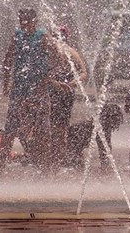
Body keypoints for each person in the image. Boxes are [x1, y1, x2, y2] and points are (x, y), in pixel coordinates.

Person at [0, 8, 55, 170]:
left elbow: (57, 58)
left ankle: (46, 167)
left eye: (26, 20)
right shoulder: (17, 36)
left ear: (35, 20)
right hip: (19, 91)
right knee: (10, 128)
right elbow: (7, 60)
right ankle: (0, 165)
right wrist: (6, 82)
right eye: (21, 20)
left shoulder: (42, 36)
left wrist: (46, 79)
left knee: (43, 130)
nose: (23, 23)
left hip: (39, 92)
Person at [48, 26, 87, 167]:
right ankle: (59, 157)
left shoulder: (58, 51)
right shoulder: (70, 52)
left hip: (58, 92)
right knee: (60, 125)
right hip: (62, 92)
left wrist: (64, 84)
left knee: (55, 125)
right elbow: (83, 73)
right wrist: (72, 84)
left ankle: (56, 158)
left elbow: (82, 73)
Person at [65, 103, 123, 171]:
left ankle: (71, 164)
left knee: (74, 160)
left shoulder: (98, 124)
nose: (118, 122)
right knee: (74, 160)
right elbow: (104, 151)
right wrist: (105, 167)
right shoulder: (101, 127)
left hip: (74, 135)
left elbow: (104, 150)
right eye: (116, 119)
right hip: (74, 136)